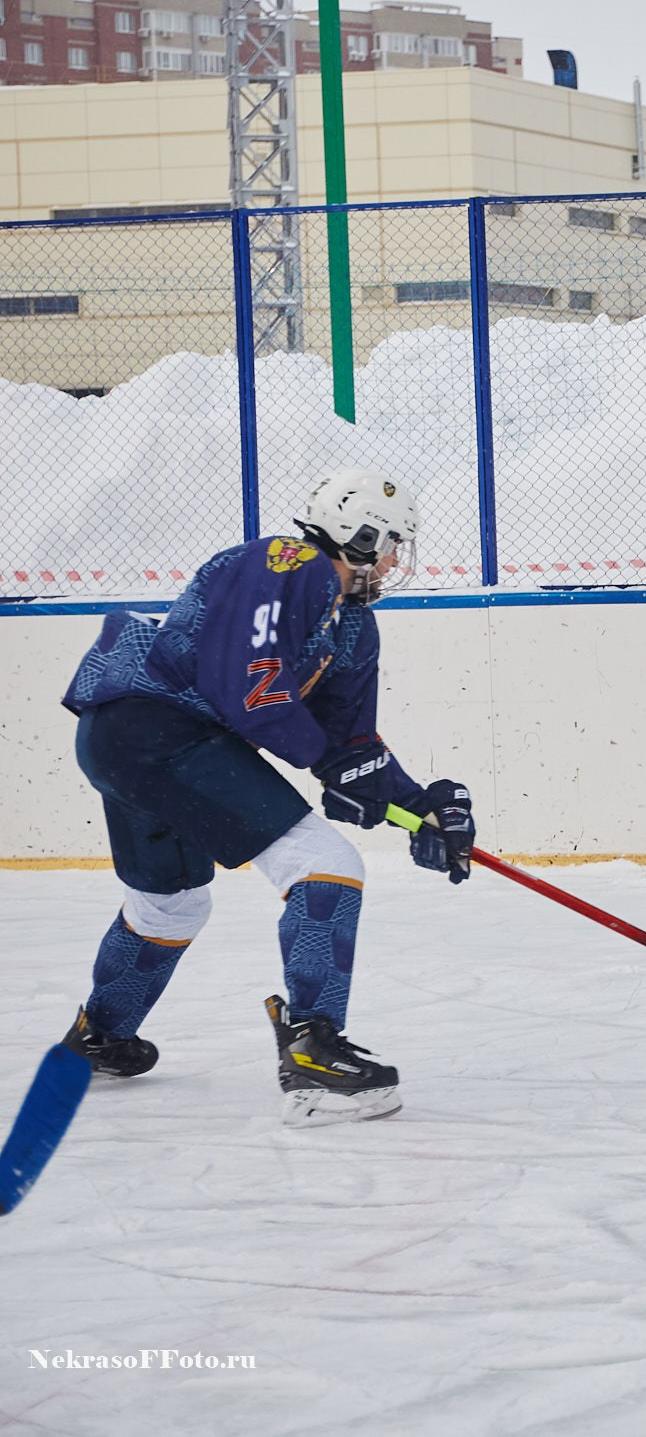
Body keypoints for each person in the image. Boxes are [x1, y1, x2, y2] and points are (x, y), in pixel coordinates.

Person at [55, 469, 477, 1124]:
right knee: (325, 863)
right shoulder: (286, 563)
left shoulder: (353, 629)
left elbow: (352, 746)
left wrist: (418, 807)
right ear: (360, 534)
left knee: (171, 904)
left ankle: (99, 1034)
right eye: (392, 543)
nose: (396, 561)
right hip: (155, 729)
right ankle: (312, 1049)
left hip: (132, 744)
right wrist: (328, 763)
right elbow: (248, 688)